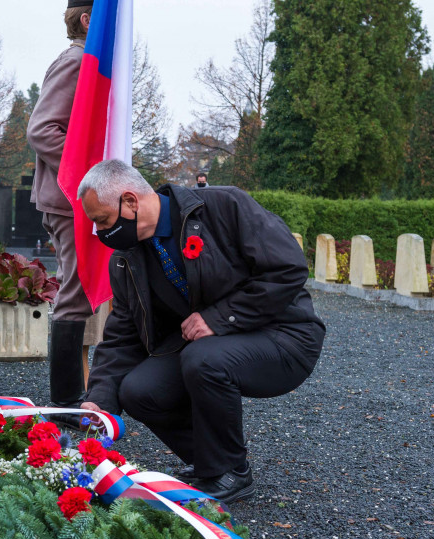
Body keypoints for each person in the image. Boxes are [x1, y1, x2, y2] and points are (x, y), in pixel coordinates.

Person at [76, 159, 325, 504]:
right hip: (208, 343)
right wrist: (100, 401)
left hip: (283, 333)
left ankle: (231, 473)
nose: (102, 233)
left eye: (103, 221)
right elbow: (123, 334)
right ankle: (213, 464)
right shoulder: (127, 258)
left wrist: (221, 318)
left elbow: (288, 269)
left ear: (130, 202)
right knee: (138, 390)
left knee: (203, 358)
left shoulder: (224, 207)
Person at [27, 1, 108, 416]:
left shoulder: (89, 63)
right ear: (87, 20)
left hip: (83, 197)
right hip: (71, 199)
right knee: (75, 292)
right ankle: (65, 403)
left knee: (83, 290)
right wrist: (92, 174)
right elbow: (42, 130)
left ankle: (80, 396)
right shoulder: (76, 62)